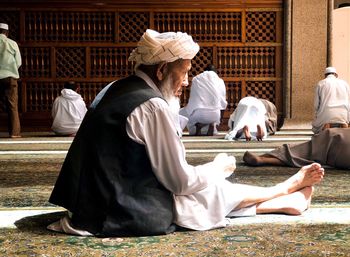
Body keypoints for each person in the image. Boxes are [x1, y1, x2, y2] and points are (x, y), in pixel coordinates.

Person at [47, 29, 324, 237]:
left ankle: (280, 202)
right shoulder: (152, 106)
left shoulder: (115, 87)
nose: (187, 81)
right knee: (204, 189)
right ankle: (282, 190)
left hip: (89, 201)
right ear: (163, 70)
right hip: (115, 209)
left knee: (201, 191)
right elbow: (180, 182)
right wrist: (217, 166)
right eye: (184, 72)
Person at [243, 128, 350, 169]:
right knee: (309, 156)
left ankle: (263, 158)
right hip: (342, 158)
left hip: (337, 143)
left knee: (306, 150)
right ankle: (264, 158)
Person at [179, 64, 227, 136]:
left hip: (199, 114)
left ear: (204, 71)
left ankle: (198, 126)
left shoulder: (196, 79)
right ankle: (212, 124)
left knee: (181, 113)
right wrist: (220, 119)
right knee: (213, 116)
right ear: (215, 72)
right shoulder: (220, 81)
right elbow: (223, 103)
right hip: (215, 115)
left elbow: (193, 100)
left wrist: (190, 111)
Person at [312, 67, 350, 134]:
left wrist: (316, 114)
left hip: (327, 114)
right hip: (343, 114)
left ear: (325, 75)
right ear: (336, 75)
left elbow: (316, 104)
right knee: (344, 124)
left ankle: (325, 134)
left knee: (317, 127)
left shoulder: (321, 83)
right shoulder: (344, 83)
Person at [0, 22, 22, 138]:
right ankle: (14, 133)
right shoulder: (12, 43)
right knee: (13, 106)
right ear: (6, 32)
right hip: (10, 78)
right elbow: (18, 62)